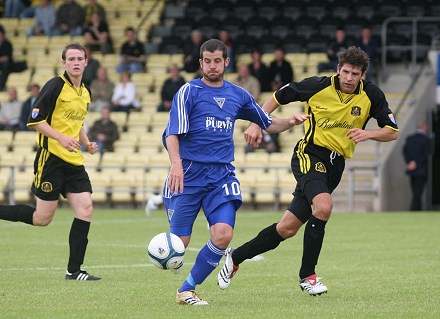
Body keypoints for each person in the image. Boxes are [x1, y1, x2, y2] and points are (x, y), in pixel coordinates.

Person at [217, 46, 399, 296]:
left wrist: (368, 133)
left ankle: (235, 257)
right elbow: (281, 95)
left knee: (287, 229)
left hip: (336, 165)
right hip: (309, 154)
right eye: (345, 71)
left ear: (362, 75)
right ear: (338, 70)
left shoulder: (371, 95)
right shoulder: (319, 85)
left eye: (354, 74)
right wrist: (257, 123)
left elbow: (391, 131)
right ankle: (308, 276)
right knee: (323, 207)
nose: (348, 78)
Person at [162, 38, 308, 306]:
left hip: (221, 176)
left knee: (223, 235)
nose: (212, 66)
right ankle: (173, 256)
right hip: (190, 173)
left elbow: (267, 123)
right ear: (200, 63)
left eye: (218, 61)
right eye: (207, 61)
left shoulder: (238, 95)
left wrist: (290, 121)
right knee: (178, 246)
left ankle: (187, 290)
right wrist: (176, 165)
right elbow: (172, 134)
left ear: (226, 62)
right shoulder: (188, 92)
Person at [0, 43, 101, 281]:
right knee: (42, 219)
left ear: (86, 62)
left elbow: (78, 123)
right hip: (51, 160)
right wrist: (61, 138)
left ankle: (74, 270)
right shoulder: (55, 86)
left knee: (85, 209)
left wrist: (86, 143)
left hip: (74, 162)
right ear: (63, 62)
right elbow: (34, 121)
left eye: (80, 58)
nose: (76, 62)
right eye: (71, 59)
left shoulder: (85, 92)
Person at [403, 121, 432, 211]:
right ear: (424, 128)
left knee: (415, 191)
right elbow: (426, 155)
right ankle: (414, 209)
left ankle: (417, 209)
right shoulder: (426, 140)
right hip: (422, 170)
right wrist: (416, 163)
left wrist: (410, 163)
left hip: (412, 170)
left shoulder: (410, 138)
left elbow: (405, 151)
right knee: (417, 193)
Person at [0, 27, 13, 91]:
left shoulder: (8, 44)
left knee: (6, 67)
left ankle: (1, 85)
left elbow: (7, 57)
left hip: (5, 64)